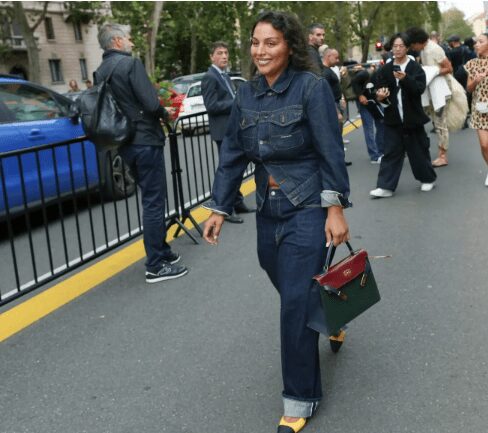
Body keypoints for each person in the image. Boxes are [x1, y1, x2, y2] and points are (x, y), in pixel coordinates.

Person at [202, 11, 351, 433]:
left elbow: (330, 151)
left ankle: (300, 398)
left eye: (271, 42)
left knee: (293, 305)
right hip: (268, 209)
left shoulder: (310, 88)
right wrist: (218, 207)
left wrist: (335, 209)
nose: (261, 51)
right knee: (288, 285)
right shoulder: (246, 94)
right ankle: (332, 315)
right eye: (255, 42)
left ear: (289, 46)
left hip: (306, 206)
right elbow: (232, 155)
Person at [95, 23, 187, 283]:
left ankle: (162, 250)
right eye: (128, 38)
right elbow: (149, 102)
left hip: (125, 142)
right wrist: (165, 113)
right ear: (117, 41)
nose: (131, 42)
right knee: (154, 201)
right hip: (145, 139)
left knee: (151, 198)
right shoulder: (130, 64)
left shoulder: (101, 71)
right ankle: (155, 265)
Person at [370, 32, 437, 198]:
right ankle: (385, 187)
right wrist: (380, 96)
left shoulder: (415, 68)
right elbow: (379, 90)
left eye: (401, 46)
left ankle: (427, 179)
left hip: (413, 118)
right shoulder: (385, 69)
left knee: (418, 151)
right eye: (395, 46)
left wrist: (405, 79)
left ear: (407, 48)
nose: (398, 49)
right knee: (391, 152)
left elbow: (419, 89)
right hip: (393, 118)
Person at [201, 41, 255, 223]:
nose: (224, 56)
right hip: (222, 131)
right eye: (220, 53)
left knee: (236, 167)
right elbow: (211, 105)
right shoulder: (210, 77)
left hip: (233, 129)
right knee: (227, 169)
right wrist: (236, 101)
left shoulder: (224, 75)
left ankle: (238, 202)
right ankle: (225, 208)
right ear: (211, 57)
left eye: (226, 52)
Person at [407, 26, 453, 168]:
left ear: (418, 41)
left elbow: (449, 68)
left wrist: (433, 72)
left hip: (440, 90)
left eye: (413, 45)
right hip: (429, 89)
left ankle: (443, 156)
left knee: (440, 122)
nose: (412, 48)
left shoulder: (434, 49)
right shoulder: (423, 49)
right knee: (433, 121)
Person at [465, 33, 488, 186]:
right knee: (484, 145)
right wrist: (476, 80)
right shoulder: (472, 64)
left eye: (481, 41)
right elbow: (469, 88)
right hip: (480, 110)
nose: (476, 44)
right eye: (476, 42)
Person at [351, 64, 385, 163]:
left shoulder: (386, 77)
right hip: (365, 102)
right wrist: (360, 95)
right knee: (369, 128)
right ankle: (374, 156)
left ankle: (381, 151)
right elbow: (354, 81)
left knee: (381, 125)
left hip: (375, 102)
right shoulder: (365, 74)